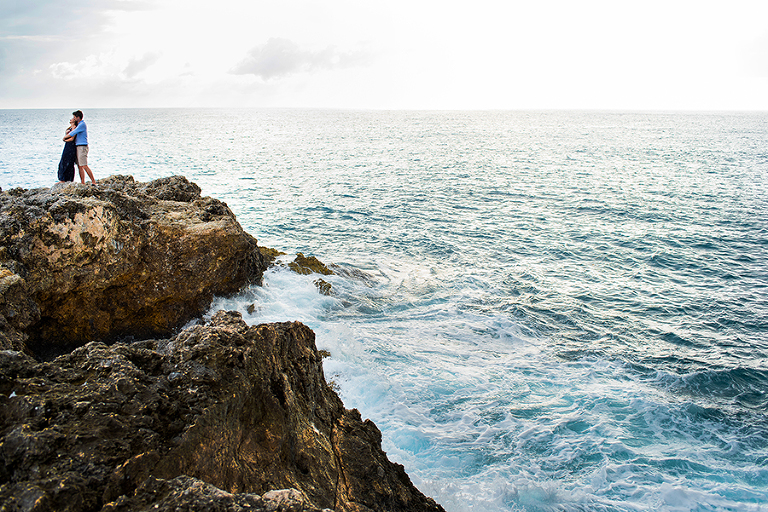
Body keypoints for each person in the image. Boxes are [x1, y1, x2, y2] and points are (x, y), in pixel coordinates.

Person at [63, 110, 96, 184]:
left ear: (78, 117)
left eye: (74, 117)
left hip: (82, 146)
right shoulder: (78, 124)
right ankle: (82, 182)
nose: (73, 118)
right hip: (78, 146)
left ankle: (93, 181)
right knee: (79, 166)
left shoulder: (82, 124)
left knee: (84, 165)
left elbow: (73, 132)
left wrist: (65, 138)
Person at [57, 117, 78, 183]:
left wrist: (64, 139)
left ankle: (66, 179)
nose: (70, 119)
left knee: (68, 162)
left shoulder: (74, 128)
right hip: (67, 145)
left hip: (71, 145)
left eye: (72, 118)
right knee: (64, 161)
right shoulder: (70, 128)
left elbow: (72, 138)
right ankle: (64, 178)